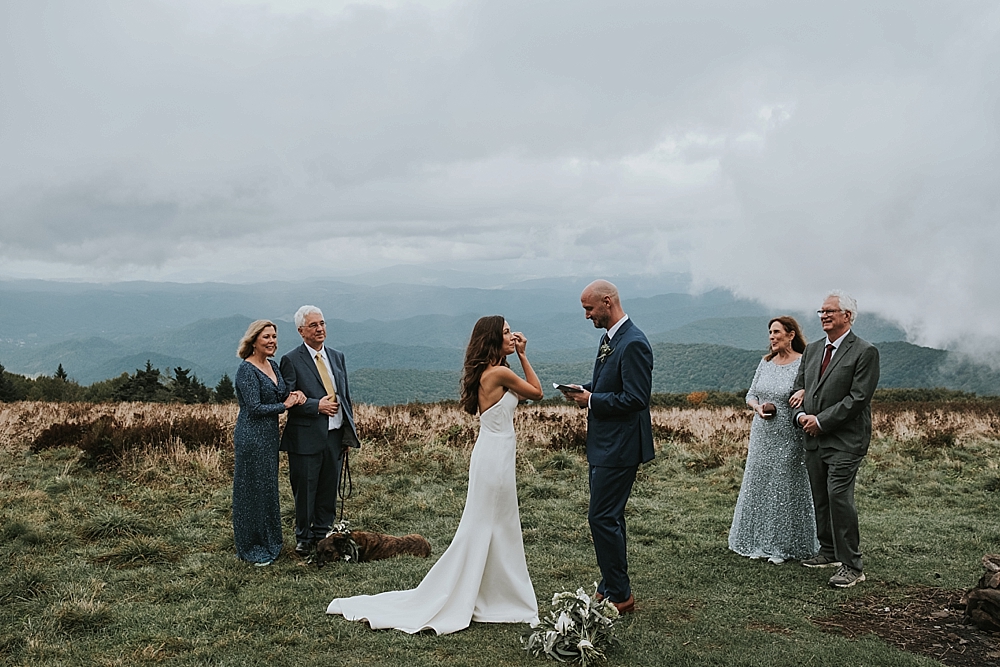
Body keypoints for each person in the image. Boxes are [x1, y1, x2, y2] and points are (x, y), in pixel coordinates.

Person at [327, 315, 543, 634]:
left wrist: (517, 357)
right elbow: (537, 392)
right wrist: (525, 354)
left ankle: (492, 591)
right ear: (494, 338)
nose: (513, 336)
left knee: (497, 525)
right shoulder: (498, 372)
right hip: (494, 457)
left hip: (495, 453)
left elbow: (522, 396)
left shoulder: (496, 371)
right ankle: (490, 593)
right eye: (508, 332)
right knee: (490, 524)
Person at [560, 280, 654, 615]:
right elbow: (609, 385)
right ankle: (610, 584)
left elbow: (636, 398)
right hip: (605, 444)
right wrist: (584, 390)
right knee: (609, 517)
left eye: (589, 308)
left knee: (601, 517)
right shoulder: (609, 339)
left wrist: (592, 400)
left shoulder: (634, 344)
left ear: (607, 301)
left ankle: (620, 595)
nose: (587, 315)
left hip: (621, 446)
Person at [790, 291, 880, 588]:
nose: (824, 315)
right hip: (812, 437)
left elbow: (857, 399)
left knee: (839, 497)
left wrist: (821, 421)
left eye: (830, 311)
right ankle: (827, 551)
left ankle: (852, 566)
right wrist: (802, 416)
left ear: (847, 316)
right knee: (821, 497)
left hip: (845, 440)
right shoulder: (814, 349)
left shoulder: (865, 352)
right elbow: (799, 388)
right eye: (821, 311)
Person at [728, 316, 819, 564]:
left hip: (789, 434)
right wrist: (756, 407)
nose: (771, 336)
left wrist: (804, 391)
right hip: (762, 433)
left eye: (776, 332)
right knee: (759, 485)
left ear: (791, 334)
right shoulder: (765, 362)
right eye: (770, 332)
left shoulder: (803, 363)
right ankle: (757, 542)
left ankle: (782, 546)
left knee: (785, 487)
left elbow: (815, 389)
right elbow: (751, 394)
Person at [279, 306, 361, 557]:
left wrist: (347, 433)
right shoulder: (291, 360)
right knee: (305, 489)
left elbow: (345, 397)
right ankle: (304, 538)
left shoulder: (337, 357)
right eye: (313, 325)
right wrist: (316, 406)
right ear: (301, 331)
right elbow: (287, 397)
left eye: (322, 323)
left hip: (335, 436)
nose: (320, 329)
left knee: (328, 487)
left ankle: (323, 534)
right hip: (305, 437)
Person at [233, 320, 305, 566]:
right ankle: (251, 546)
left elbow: (280, 394)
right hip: (251, 437)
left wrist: (295, 396)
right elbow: (254, 408)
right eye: (267, 337)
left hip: (270, 437)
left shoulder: (272, 366)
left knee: (267, 490)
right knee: (251, 491)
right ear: (254, 341)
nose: (273, 341)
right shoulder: (246, 370)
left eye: (274, 336)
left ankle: (270, 541)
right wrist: (285, 406)